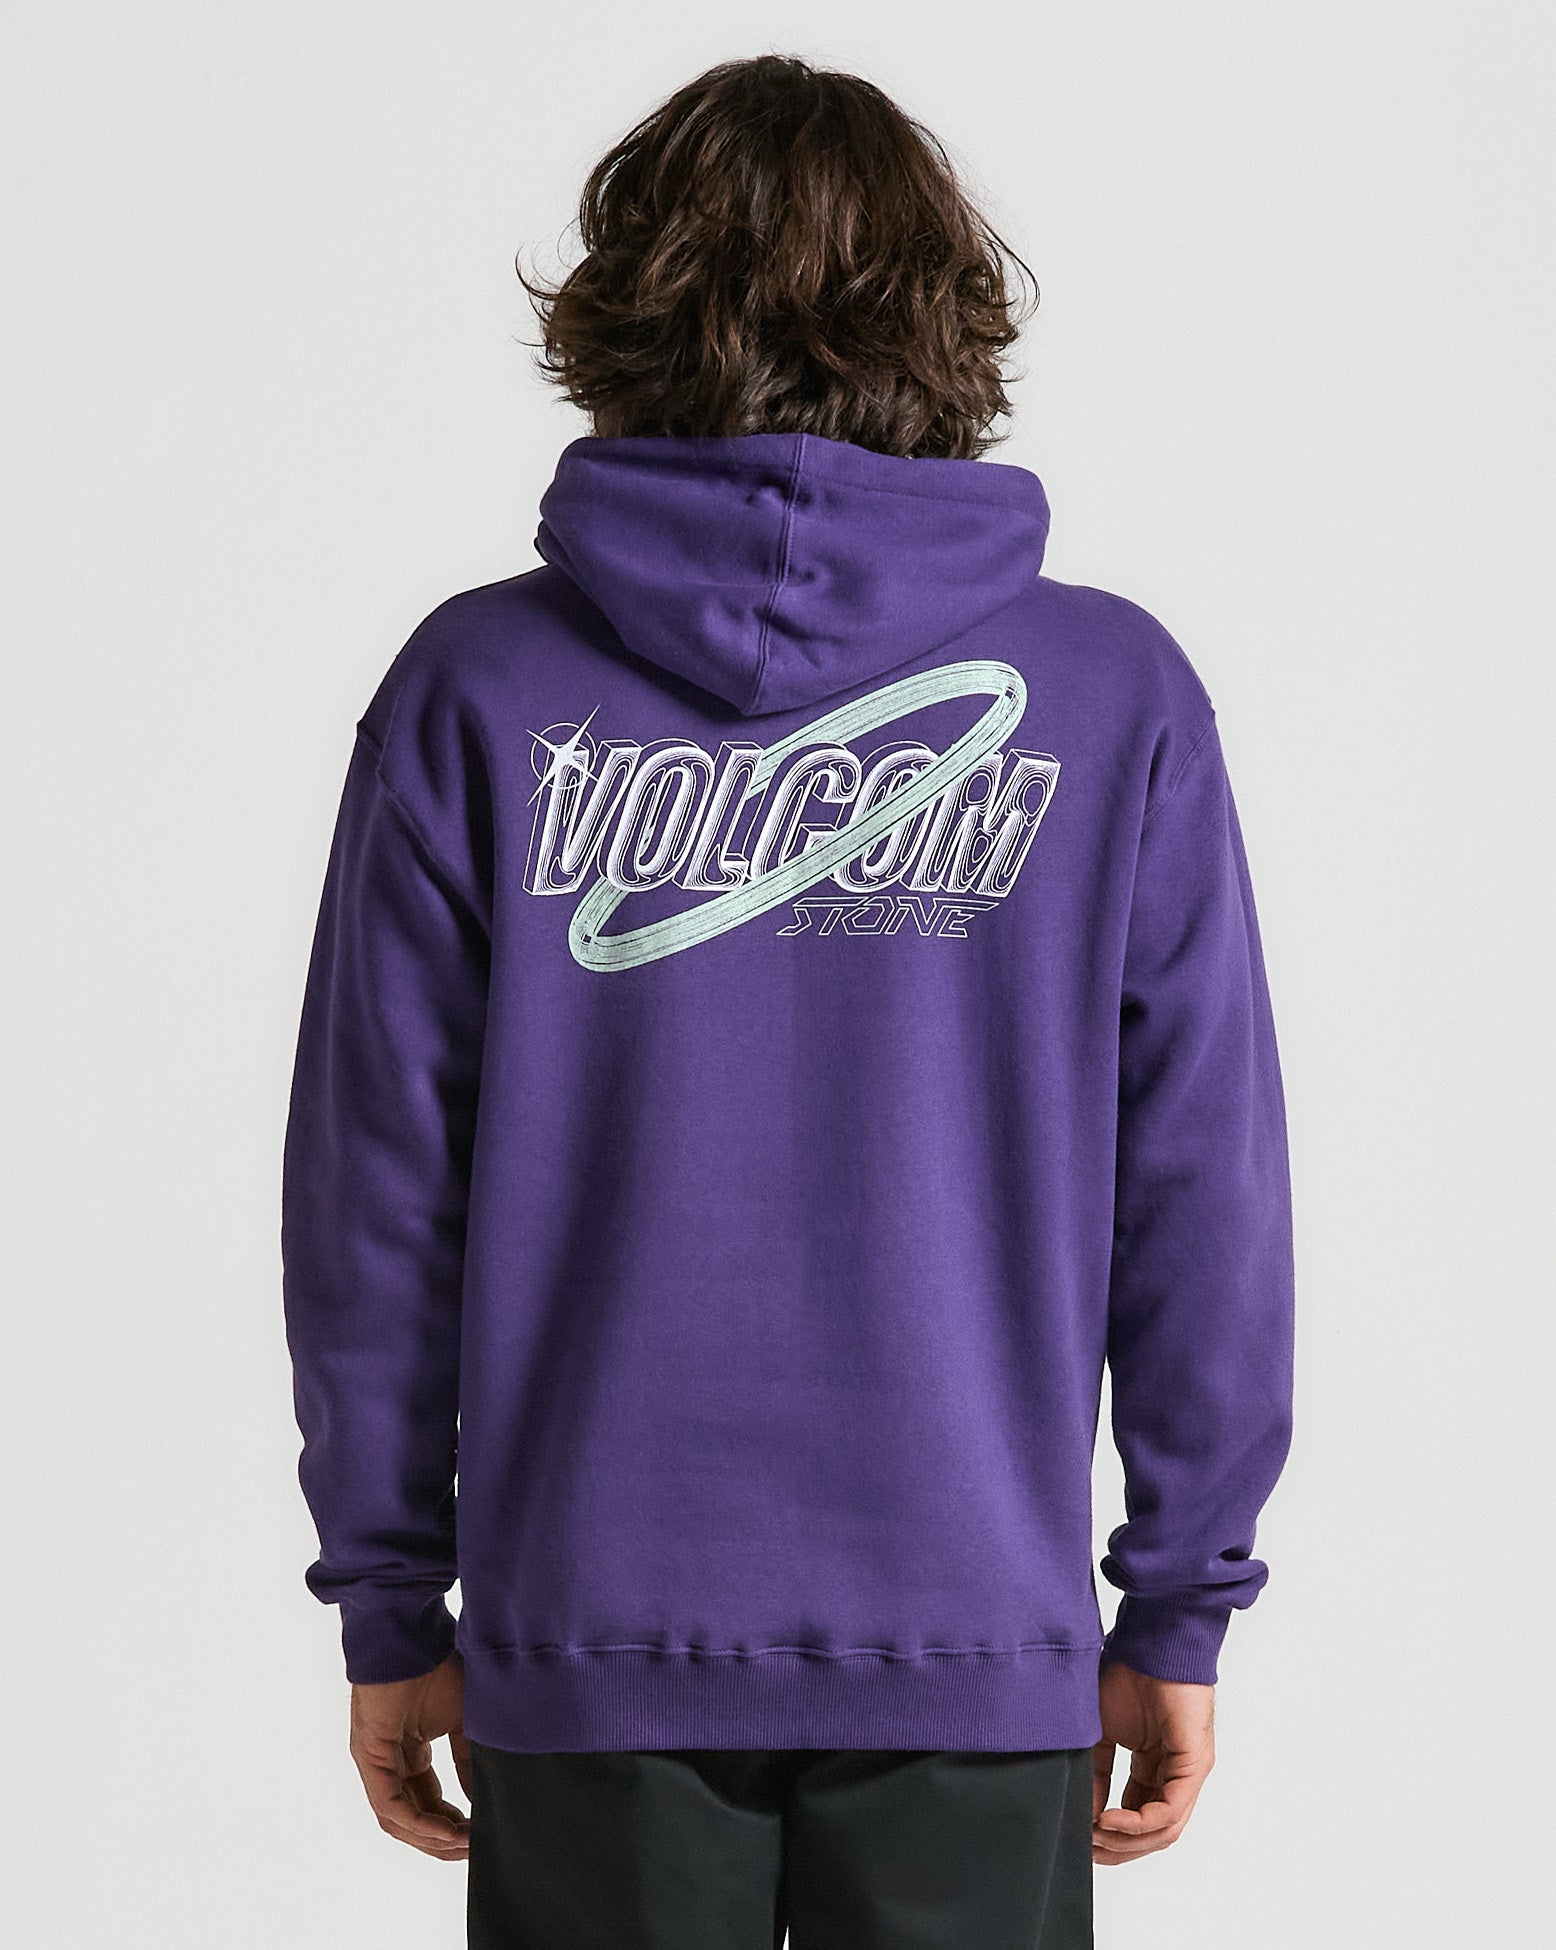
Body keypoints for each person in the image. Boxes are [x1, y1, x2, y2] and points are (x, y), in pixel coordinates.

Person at [281, 53, 1295, 1950]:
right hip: (972, 1637)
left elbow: (373, 1201)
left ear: (623, 309)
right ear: (945, 310)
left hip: (589, 1636)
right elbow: (1203, 1193)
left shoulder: (480, 685)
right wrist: (1179, 1601)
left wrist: (391, 1602)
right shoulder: (1111, 696)